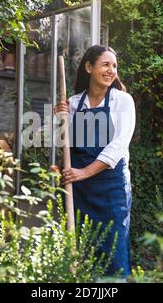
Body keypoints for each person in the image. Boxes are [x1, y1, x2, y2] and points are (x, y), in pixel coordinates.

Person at [55, 45, 136, 277]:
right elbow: (57, 139)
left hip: (111, 190)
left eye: (115, 66)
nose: (111, 70)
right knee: (82, 250)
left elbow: (119, 145)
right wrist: (57, 119)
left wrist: (84, 172)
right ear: (89, 67)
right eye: (106, 64)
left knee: (113, 251)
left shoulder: (123, 101)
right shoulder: (72, 103)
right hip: (80, 191)